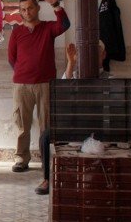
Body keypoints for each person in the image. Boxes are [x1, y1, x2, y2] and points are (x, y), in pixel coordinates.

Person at [7, 0, 70, 173]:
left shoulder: (49, 28)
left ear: (38, 8)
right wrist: (23, 73)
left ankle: (47, 161)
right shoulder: (17, 32)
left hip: (45, 84)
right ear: (20, 12)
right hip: (22, 86)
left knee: (47, 126)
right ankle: (21, 159)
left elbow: (65, 25)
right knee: (22, 125)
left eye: (30, 8)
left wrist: (55, 4)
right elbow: (12, 58)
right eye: (23, 9)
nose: (27, 12)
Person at [35, 41, 109, 195]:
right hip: (73, 126)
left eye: (95, 54)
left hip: (96, 128)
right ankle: (48, 179)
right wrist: (71, 63)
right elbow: (62, 91)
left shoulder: (110, 78)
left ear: (103, 55)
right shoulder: (74, 74)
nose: (90, 58)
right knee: (45, 137)